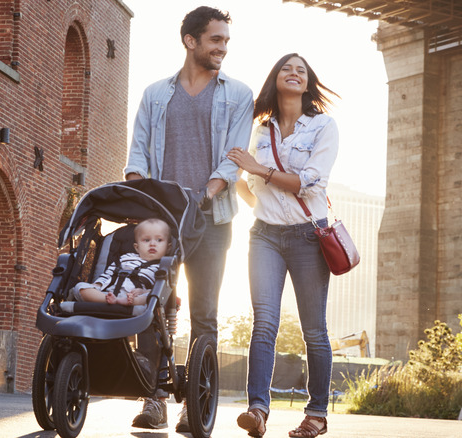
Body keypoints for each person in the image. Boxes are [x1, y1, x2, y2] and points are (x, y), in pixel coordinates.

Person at [123, 5, 254, 431]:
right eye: (216, 40)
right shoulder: (156, 94)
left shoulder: (238, 95)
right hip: (161, 219)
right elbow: (137, 154)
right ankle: (155, 397)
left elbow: (233, 160)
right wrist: (144, 193)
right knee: (153, 304)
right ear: (190, 41)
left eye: (226, 41)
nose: (223, 49)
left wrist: (205, 194)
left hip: (211, 219)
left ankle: (194, 403)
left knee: (204, 312)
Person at [227, 53, 339, 438]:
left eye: (301, 70)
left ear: (307, 84)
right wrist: (259, 200)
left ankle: (317, 415)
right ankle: (257, 409)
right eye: (286, 68)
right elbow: (241, 181)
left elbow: (308, 181)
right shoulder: (259, 129)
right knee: (264, 324)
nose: (293, 73)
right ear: (275, 78)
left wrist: (259, 170)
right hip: (265, 236)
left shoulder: (323, 126)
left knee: (314, 330)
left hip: (309, 236)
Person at [59, 218, 170, 316]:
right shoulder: (124, 258)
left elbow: (158, 288)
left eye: (159, 240)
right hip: (108, 294)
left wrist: (142, 292)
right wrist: (96, 285)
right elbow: (107, 274)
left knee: (154, 295)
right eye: (146, 240)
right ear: (136, 247)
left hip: (133, 298)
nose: (152, 244)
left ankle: (124, 302)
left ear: (168, 247)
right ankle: (108, 301)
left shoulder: (162, 267)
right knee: (80, 287)